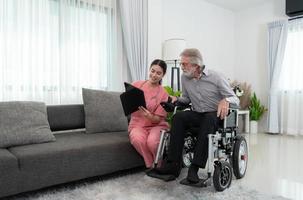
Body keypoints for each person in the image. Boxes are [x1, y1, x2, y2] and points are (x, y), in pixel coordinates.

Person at [152, 48, 239, 183]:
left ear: (196, 66)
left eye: (184, 64)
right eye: (181, 64)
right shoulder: (185, 78)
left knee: (209, 119)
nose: (182, 67)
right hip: (198, 114)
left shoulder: (216, 77)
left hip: (216, 115)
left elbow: (235, 99)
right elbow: (186, 99)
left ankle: (194, 168)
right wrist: (175, 100)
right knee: (178, 117)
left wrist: (226, 100)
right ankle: (172, 165)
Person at [128, 59, 169, 169]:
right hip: (137, 125)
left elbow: (157, 119)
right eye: (152, 71)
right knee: (137, 139)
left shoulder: (163, 93)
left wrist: (148, 115)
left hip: (155, 125)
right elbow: (127, 104)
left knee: (152, 142)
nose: (154, 75)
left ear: (163, 75)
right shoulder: (136, 84)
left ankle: (159, 163)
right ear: (149, 70)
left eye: (158, 73)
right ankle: (152, 165)